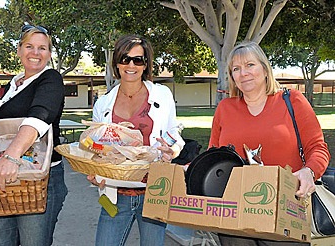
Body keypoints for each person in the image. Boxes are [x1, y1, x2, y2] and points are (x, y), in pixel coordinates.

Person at [209, 41, 330, 246]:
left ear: (265, 69)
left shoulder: (292, 100)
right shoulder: (225, 108)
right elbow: (213, 157)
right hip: (235, 214)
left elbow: (318, 148)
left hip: (287, 208)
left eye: (250, 65)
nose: (243, 73)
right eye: (236, 69)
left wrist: (309, 172)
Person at [87, 34, 185, 246]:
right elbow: (97, 148)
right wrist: (95, 171)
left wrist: (173, 150)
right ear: (117, 63)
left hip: (154, 191)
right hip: (115, 193)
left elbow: (174, 134)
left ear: (145, 64)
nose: (131, 65)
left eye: (138, 60)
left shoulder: (162, 95)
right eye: (125, 59)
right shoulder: (103, 104)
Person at [0, 25, 68, 246]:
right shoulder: (12, 85)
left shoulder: (51, 78)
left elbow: (39, 116)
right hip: (0, 179)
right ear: (19, 50)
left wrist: (10, 157)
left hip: (38, 179)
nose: (35, 53)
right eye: (29, 46)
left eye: (42, 48)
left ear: (49, 54)